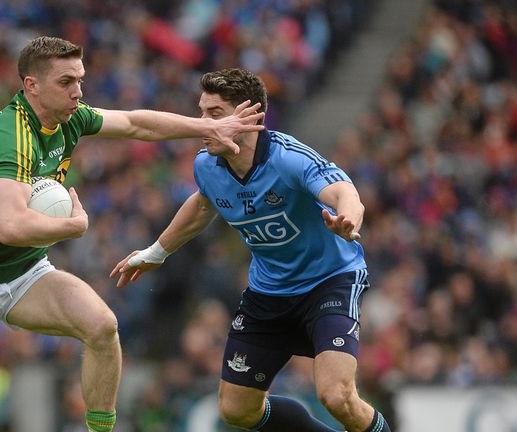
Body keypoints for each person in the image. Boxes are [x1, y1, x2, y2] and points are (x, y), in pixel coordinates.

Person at [0, 37, 264, 432]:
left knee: (102, 328)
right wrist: (72, 227)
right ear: (32, 85)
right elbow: (10, 226)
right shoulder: (9, 135)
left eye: (80, 80)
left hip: (23, 274)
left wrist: (207, 126)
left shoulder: (71, 117)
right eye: (67, 82)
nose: (78, 91)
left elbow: (136, 123)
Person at [112, 68, 392, 432]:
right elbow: (201, 205)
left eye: (214, 113)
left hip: (329, 282)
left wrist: (349, 218)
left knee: (336, 396)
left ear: (251, 116)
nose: (203, 123)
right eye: (201, 112)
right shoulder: (207, 165)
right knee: (237, 410)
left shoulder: (288, 158)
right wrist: (155, 253)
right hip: (269, 292)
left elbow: (344, 191)